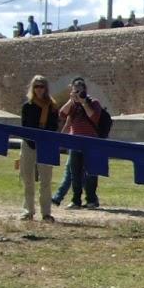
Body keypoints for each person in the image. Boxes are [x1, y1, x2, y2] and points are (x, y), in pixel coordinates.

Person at [54, 77, 104, 209]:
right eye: (75, 91)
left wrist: (84, 102)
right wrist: (71, 100)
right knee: (75, 173)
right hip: (75, 142)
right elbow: (62, 114)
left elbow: (94, 116)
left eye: (80, 92)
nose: (78, 94)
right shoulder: (73, 106)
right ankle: (76, 200)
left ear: (85, 91)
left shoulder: (94, 103)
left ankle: (91, 200)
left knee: (91, 173)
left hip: (91, 142)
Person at [18, 75, 60, 222]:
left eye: (41, 86)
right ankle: (28, 210)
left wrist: (44, 140)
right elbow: (25, 127)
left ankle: (46, 212)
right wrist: (32, 142)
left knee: (46, 180)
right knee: (28, 178)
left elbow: (54, 127)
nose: (39, 89)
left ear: (46, 88)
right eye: (36, 86)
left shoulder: (53, 107)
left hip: (46, 145)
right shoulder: (27, 106)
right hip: (29, 144)